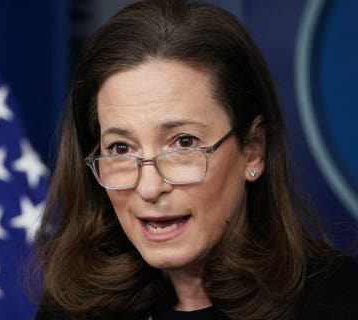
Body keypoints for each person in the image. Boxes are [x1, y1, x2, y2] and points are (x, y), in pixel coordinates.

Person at [33, 1, 358, 319]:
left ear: (253, 150)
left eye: (184, 143)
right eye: (120, 149)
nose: (149, 188)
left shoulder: (341, 302)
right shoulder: (69, 311)